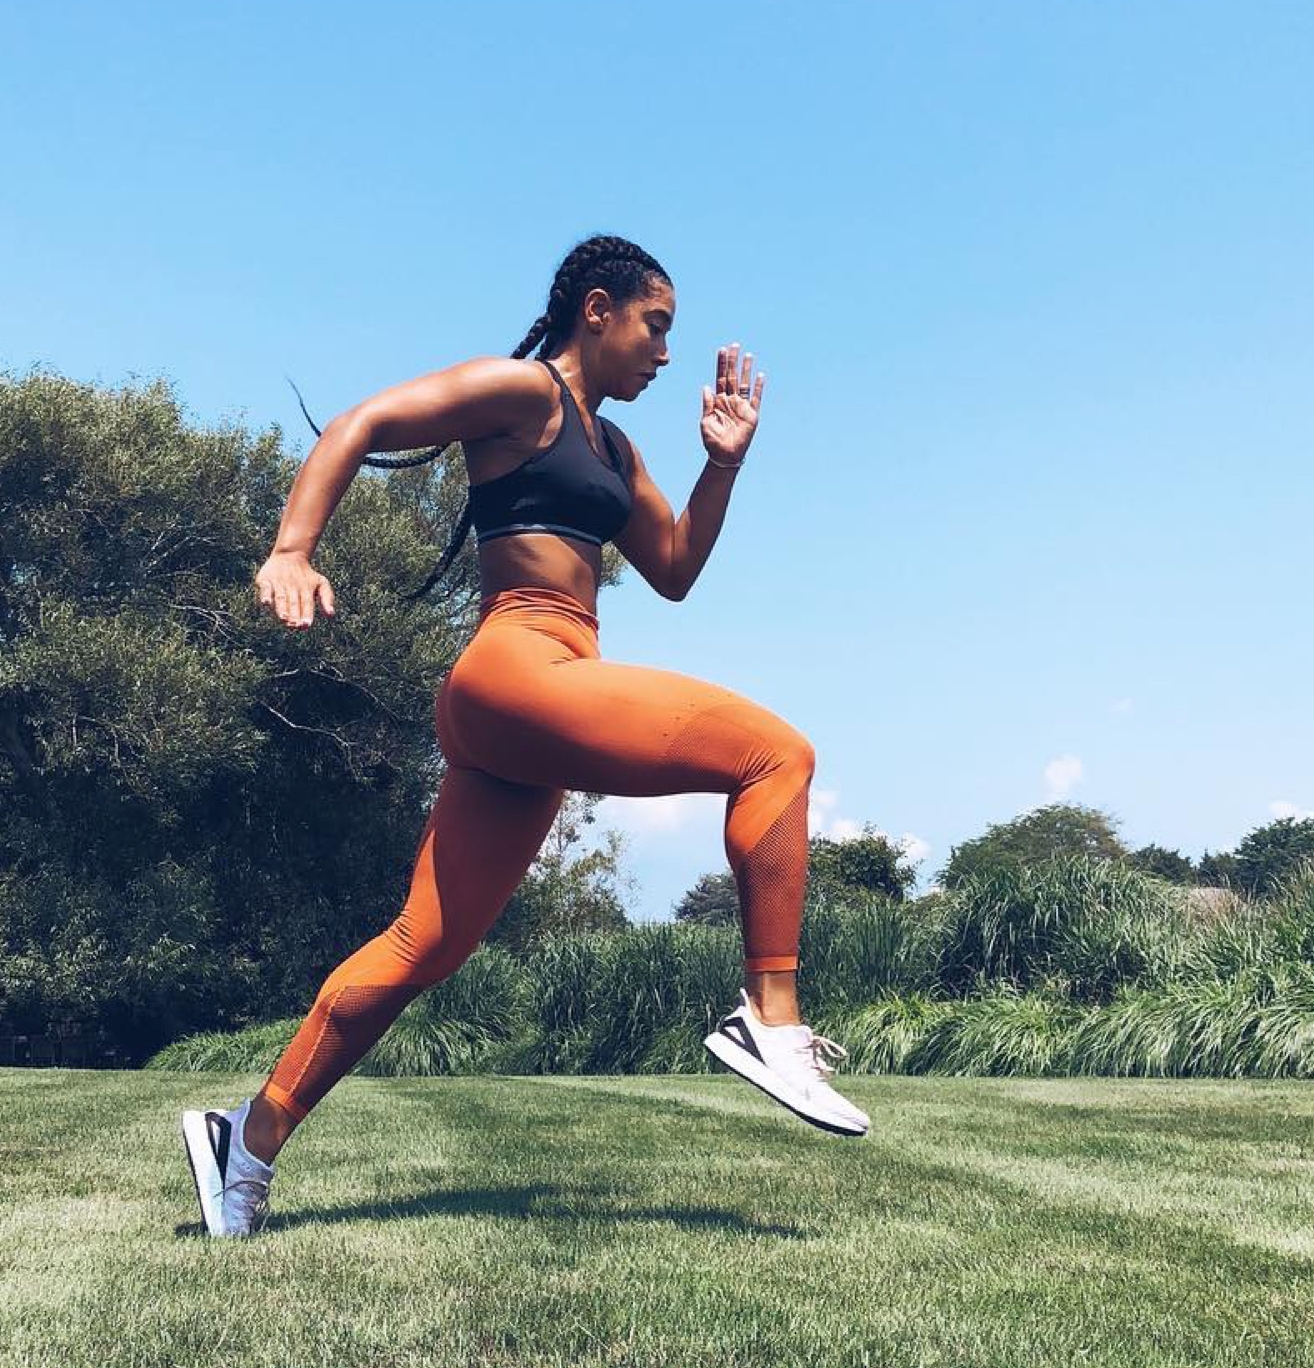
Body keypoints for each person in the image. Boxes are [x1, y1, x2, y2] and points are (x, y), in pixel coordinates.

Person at [181, 234, 869, 1239]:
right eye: (656, 326)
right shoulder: (521, 394)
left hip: (534, 706)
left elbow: (673, 568)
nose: (666, 354)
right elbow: (364, 421)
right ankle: (771, 1016)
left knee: (422, 946)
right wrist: (293, 547)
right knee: (778, 755)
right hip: (515, 666)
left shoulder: (614, 447)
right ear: (598, 309)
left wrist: (721, 467)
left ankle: (244, 1143)